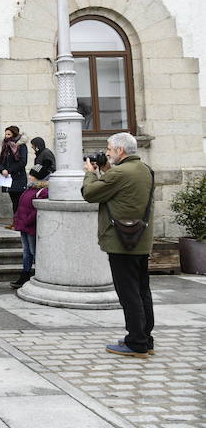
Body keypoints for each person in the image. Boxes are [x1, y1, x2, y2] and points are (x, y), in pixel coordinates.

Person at [81, 132, 156, 359]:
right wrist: (104, 170)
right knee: (142, 290)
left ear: (120, 151)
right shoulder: (144, 169)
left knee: (128, 293)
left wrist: (90, 174)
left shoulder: (120, 173)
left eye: (110, 149)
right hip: (140, 239)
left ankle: (136, 343)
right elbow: (121, 186)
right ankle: (145, 338)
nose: (107, 153)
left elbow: (90, 193)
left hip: (121, 241)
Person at [10, 165, 49, 289]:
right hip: (23, 224)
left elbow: (37, 210)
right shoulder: (29, 189)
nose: (29, 176)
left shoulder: (42, 191)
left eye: (32, 175)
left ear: (38, 178)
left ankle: (41, 274)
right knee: (26, 251)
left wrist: (26, 220)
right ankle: (25, 274)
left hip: (30, 226)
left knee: (33, 251)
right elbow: (21, 206)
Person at [0, 125, 28, 228]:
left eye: (9, 134)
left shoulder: (21, 146)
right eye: (6, 134)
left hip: (18, 177)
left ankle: (19, 223)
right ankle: (15, 222)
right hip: (8, 178)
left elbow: (23, 162)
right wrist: (2, 169)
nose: (6, 136)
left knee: (19, 201)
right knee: (13, 201)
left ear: (14, 134)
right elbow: (1, 160)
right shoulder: (5, 146)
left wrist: (9, 170)